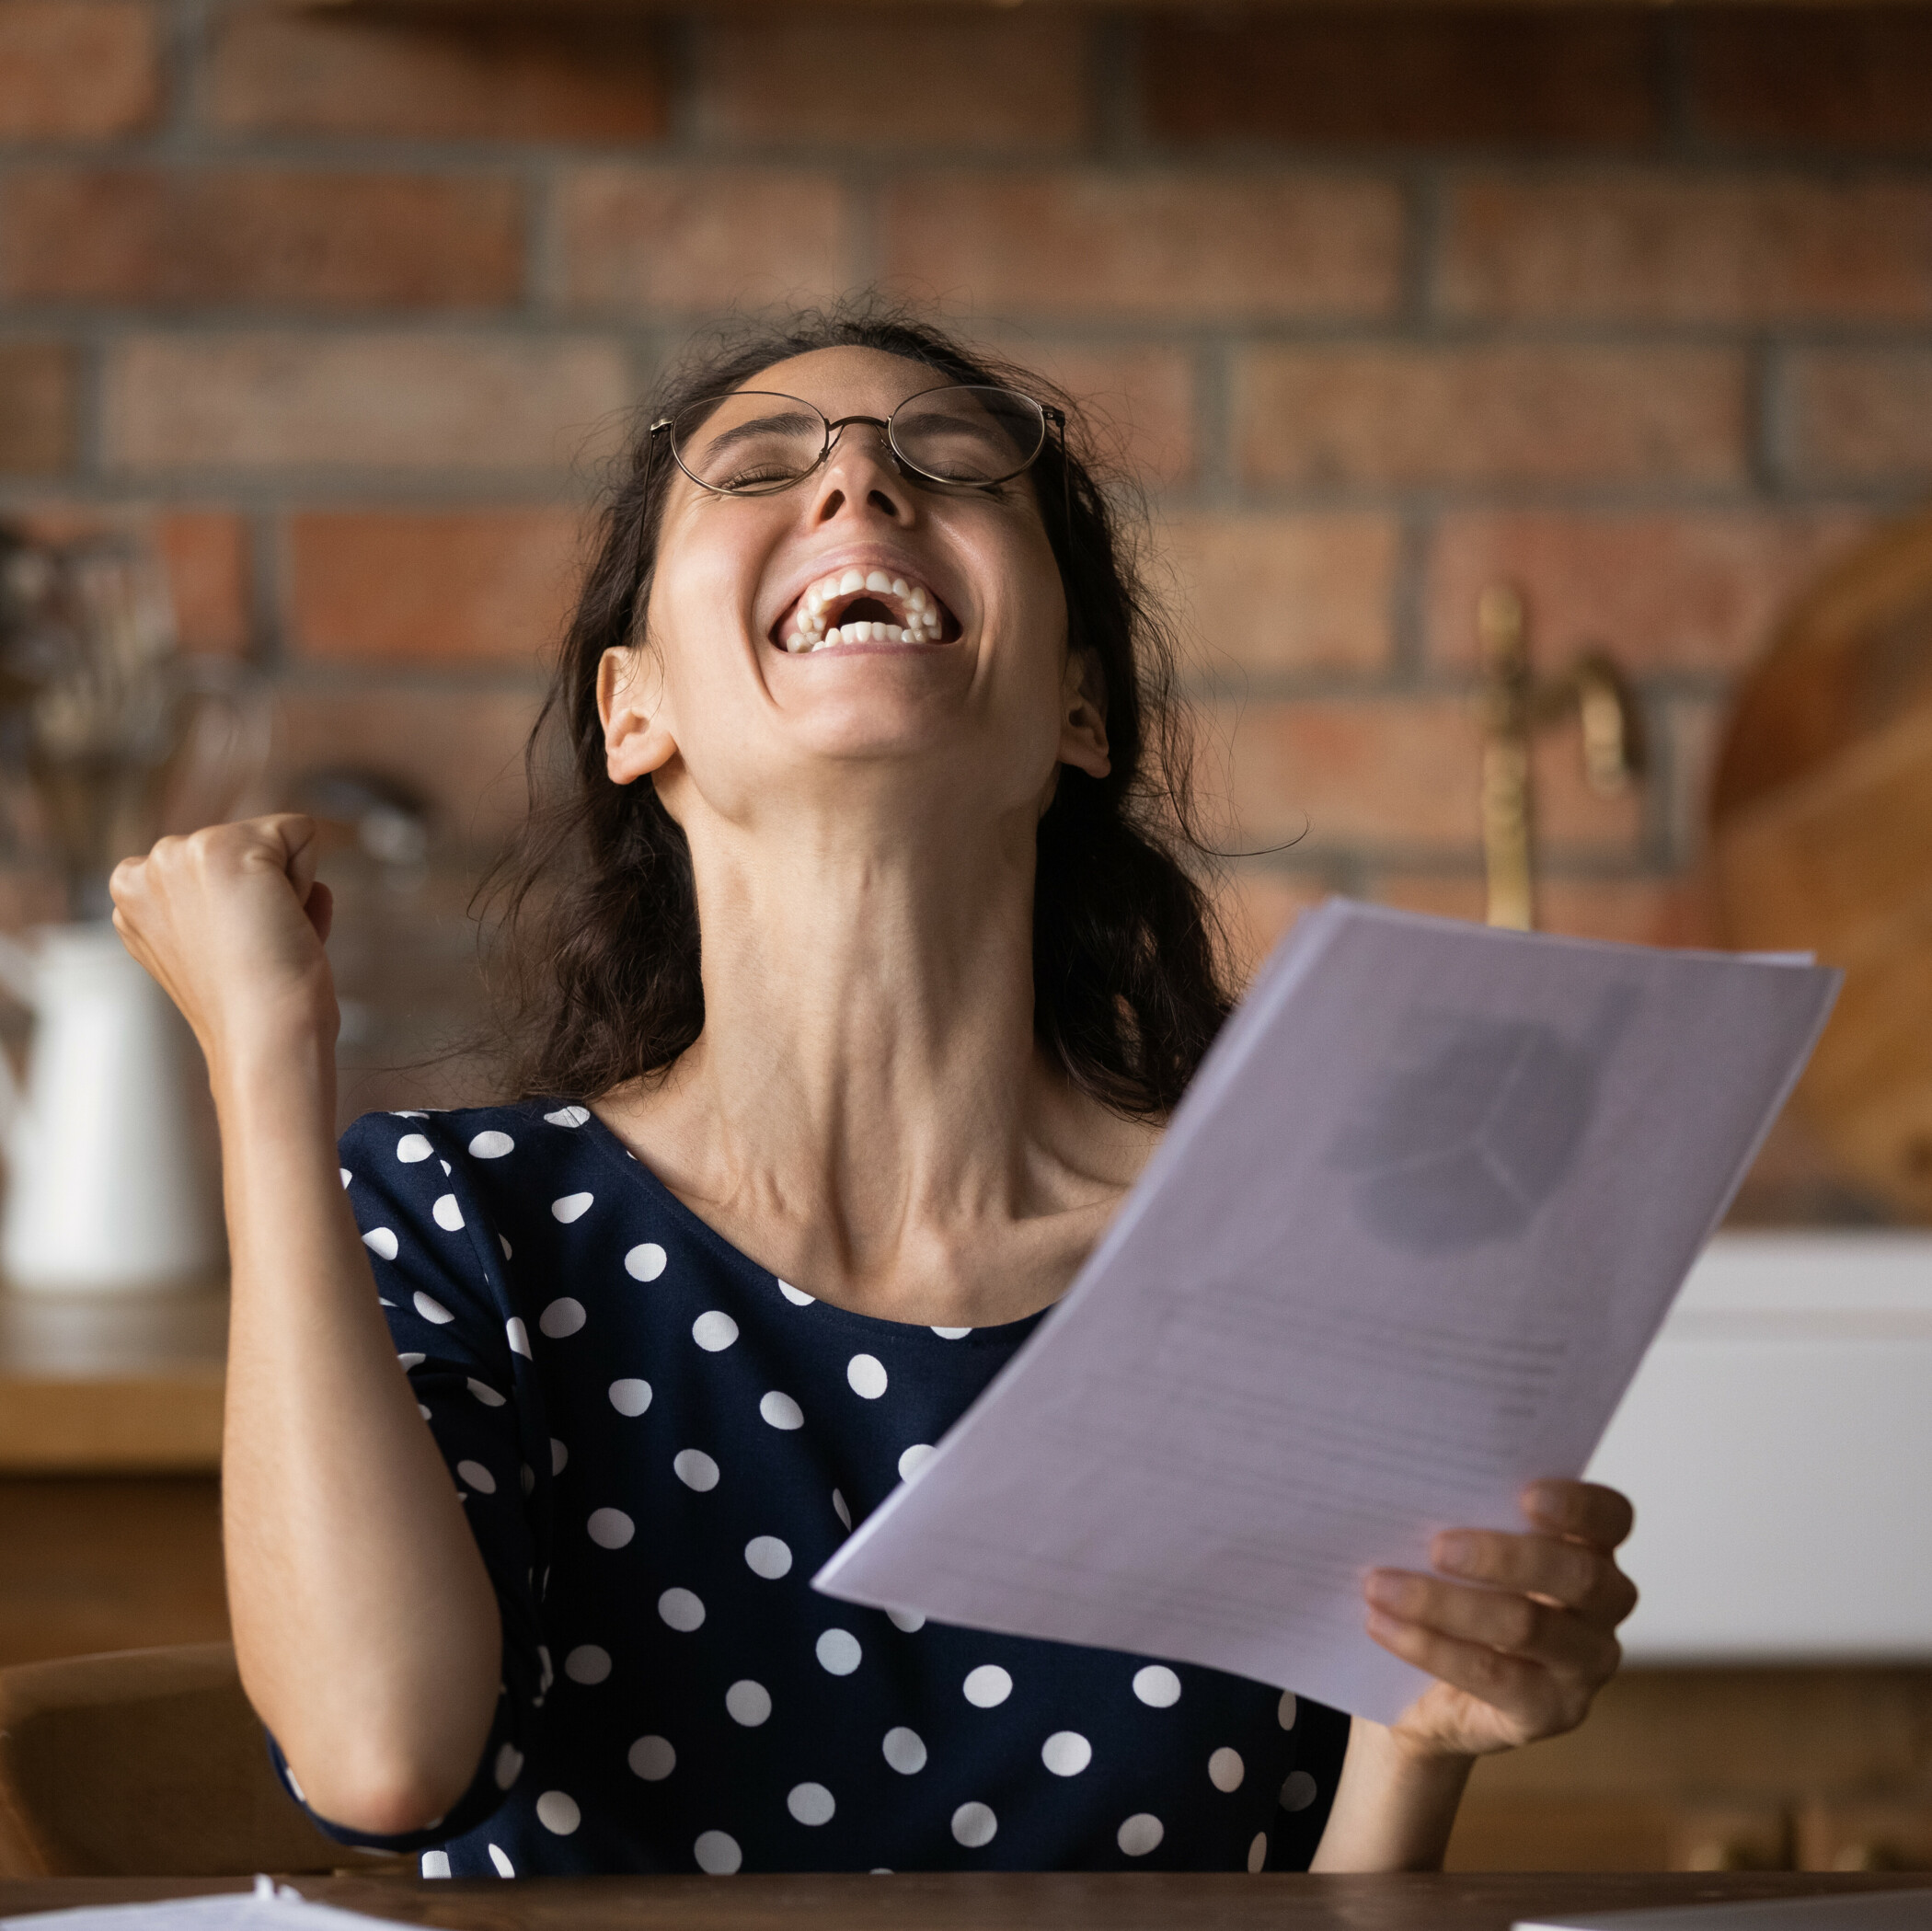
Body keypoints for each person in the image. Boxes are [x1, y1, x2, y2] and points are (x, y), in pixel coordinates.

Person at [110, 303, 1636, 1881]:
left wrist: (1418, 1737)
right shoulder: (461, 1220)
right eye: (762, 465)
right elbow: (383, 1758)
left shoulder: (1290, 1268)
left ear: (1081, 711)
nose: (859, 490)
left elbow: (1318, 1906)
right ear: (635, 713)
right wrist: (263, 1059)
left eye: (957, 467)